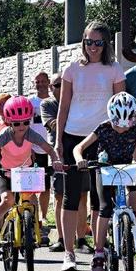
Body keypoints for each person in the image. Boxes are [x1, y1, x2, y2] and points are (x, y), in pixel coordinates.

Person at [55, 21, 126, 271]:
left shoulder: (114, 68)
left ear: (105, 43)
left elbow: (120, 105)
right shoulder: (72, 69)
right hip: (73, 136)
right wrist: (58, 141)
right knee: (71, 196)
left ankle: (98, 251)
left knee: (100, 197)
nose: (93, 47)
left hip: (103, 138)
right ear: (83, 42)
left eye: (98, 42)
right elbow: (63, 106)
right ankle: (69, 253)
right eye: (88, 42)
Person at [74, 92, 136, 271]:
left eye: (127, 125)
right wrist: (79, 159)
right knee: (105, 208)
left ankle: (126, 224)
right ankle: (99, 253)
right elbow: (79, 147)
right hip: (105, 168)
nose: (123, 129)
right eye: (118, 124)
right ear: (111, 117)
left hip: (127, 167)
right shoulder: (103, 128)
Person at [0, 96, 62, 255]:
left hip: (24, 172)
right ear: (9, 122)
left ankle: (34, 230)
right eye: (16, 124)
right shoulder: (5, 134)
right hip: (5, 172)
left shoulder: (31, 134)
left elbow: (50, 149)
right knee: (7, 201)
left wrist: (56, 160)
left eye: (25, 122)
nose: (21, 127)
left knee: (32, 201)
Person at [41, 73, 87, 253]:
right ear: (51, 88)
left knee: (82, 195)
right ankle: (61, 239)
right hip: (58, 154)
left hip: (80, 153)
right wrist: (74, 121)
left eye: (63, 84)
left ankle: (81, 239)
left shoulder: (78, 103)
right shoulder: (47, 104)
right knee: (60, 196)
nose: (61, 88)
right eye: (57, 85)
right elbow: (53, 124)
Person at [28, 71, 52, 227]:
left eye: (43, 81)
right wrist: (29, 148)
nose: (40, 84)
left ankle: (44, 215)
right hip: (34, 149)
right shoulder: (30, 102)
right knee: (33, 184)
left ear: (48, 82)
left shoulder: (54, 101)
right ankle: (33, 215)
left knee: (46, 185)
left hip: (50, 149)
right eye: (37, 82)